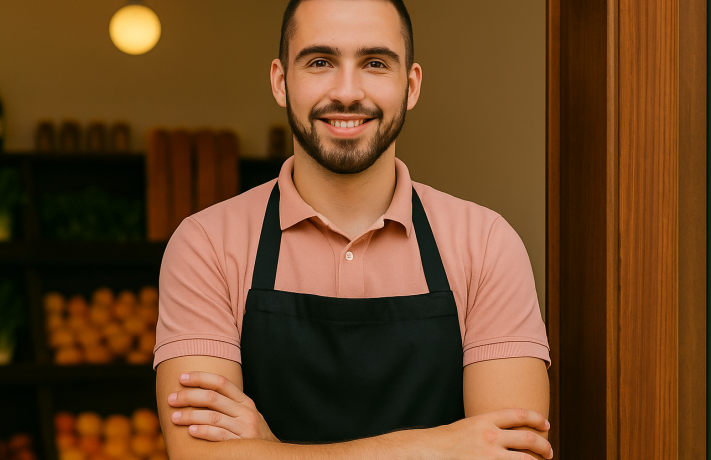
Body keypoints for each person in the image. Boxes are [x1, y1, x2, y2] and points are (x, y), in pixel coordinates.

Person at [153, 0, 552, 458]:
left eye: (375, 63)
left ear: (411, 84)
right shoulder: (206, 244)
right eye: (320, 62)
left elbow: (512, 455)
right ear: (282, 82)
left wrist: (270, 450)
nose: (346, 92)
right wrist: (435, 446)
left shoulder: (485, 243)